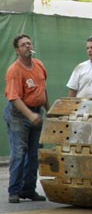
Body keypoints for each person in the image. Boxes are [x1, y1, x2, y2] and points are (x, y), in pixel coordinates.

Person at [4, 34, 50, 203]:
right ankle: (14, 191)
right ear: (17, 50)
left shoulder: (39, 65)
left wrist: (49, 110)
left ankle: (28, 190)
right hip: (19, 115)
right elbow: (14, 98)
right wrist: (30, 115)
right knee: (19, 152)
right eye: (23, 45)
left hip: (37, 112)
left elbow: (42, 91)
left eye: (29, 43)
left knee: (34, 153)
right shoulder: (14, 70)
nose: (27, 46)